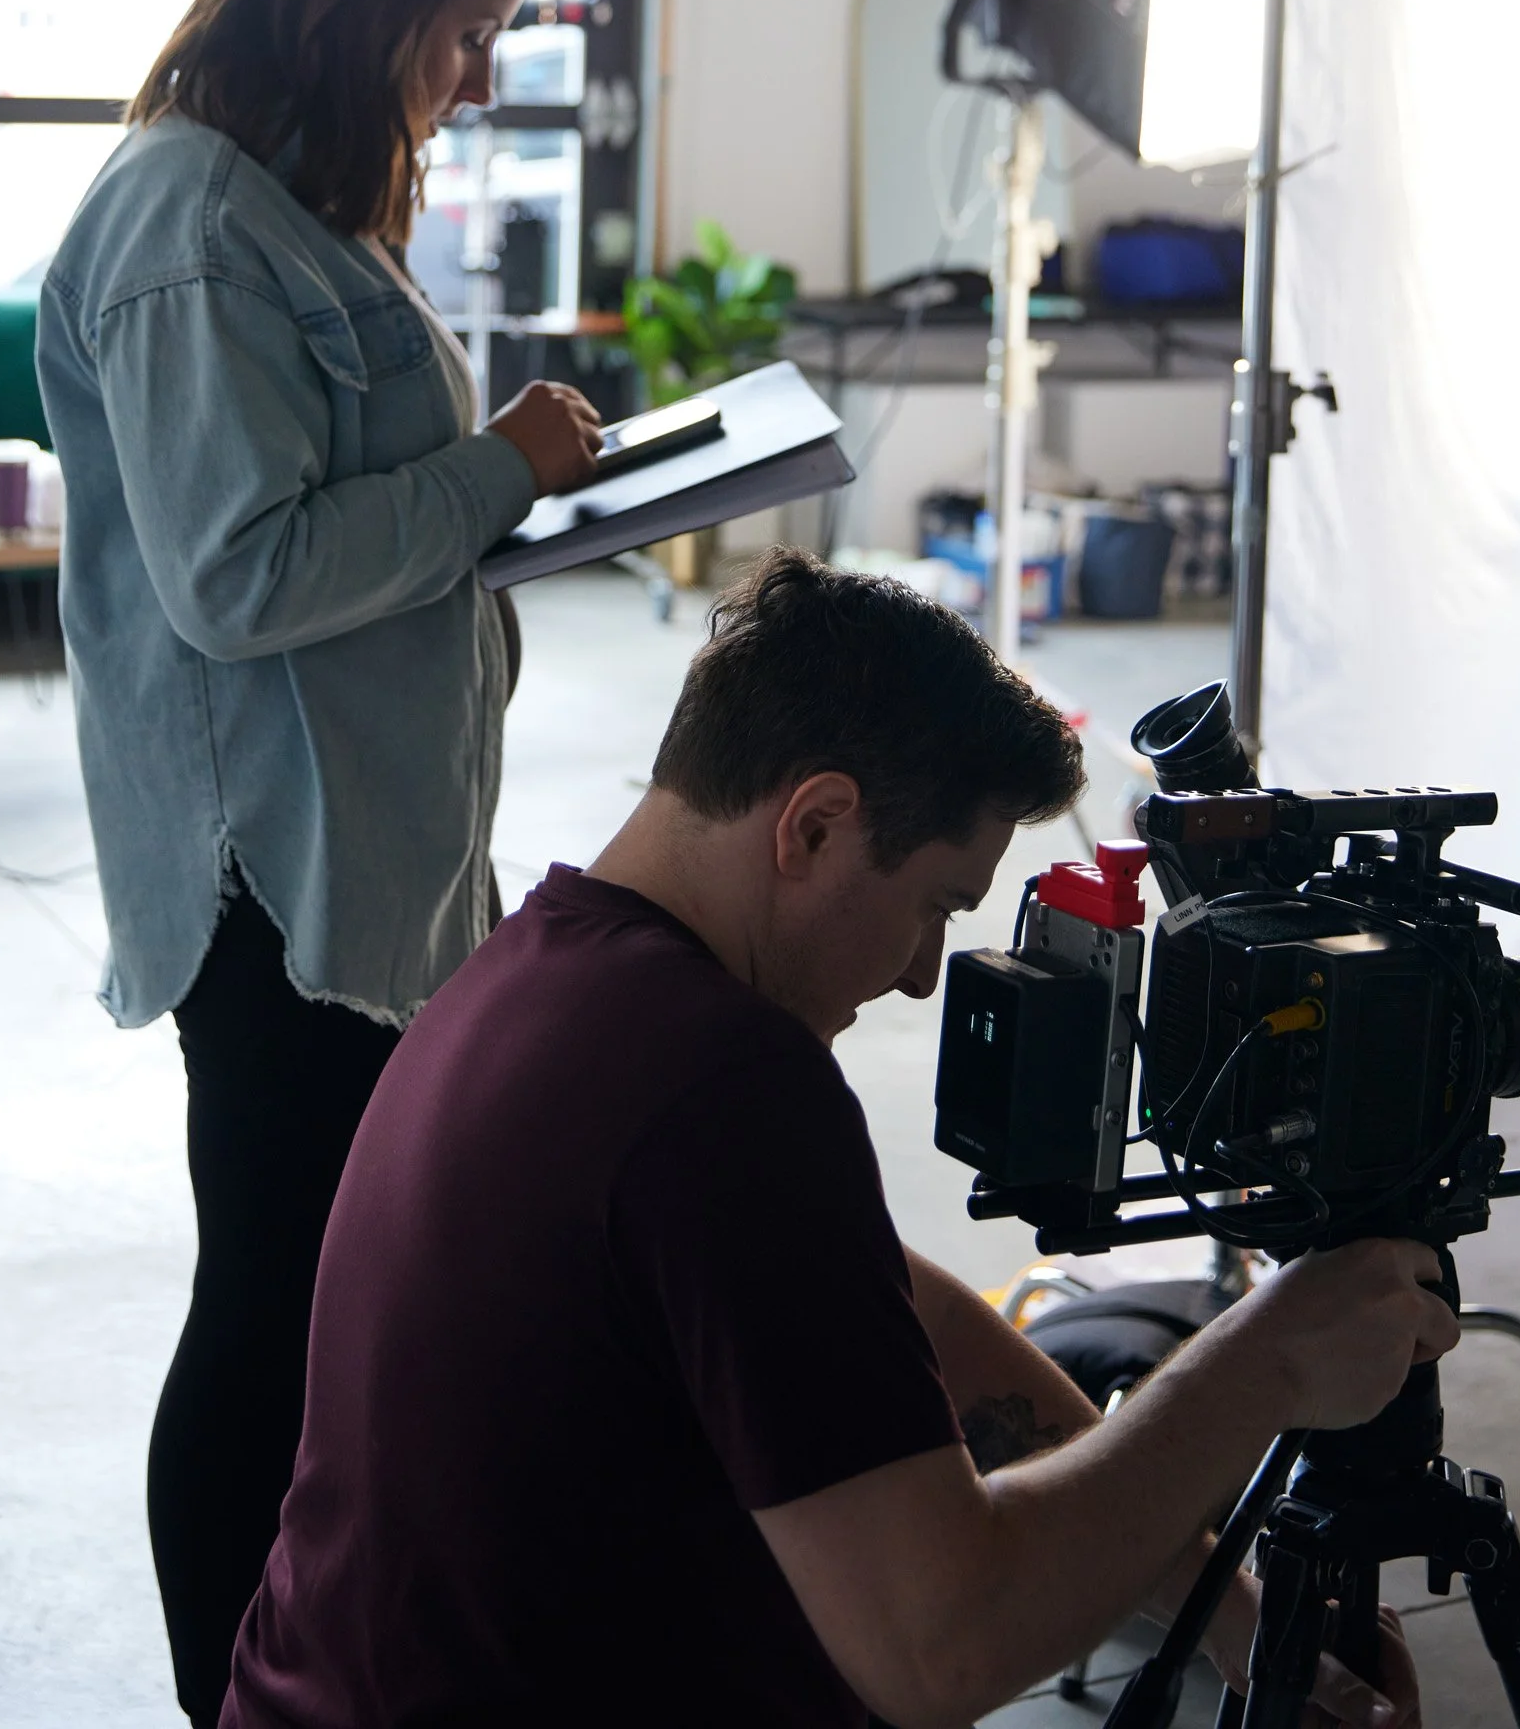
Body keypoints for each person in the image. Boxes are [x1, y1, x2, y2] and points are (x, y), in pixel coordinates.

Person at [221, 552, 1450, 1729]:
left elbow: (885, 1308)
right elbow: (943, 1646)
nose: (924, 976)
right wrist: (1266, 1364)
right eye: (934, 907)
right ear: (813, 825)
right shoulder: (719, 1083)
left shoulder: (542, 967)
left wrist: (1216, 1599)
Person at [36, 0, 606, 1728]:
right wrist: (495, 475)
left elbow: (350, 524)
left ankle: (315, 1666)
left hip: (360, 847)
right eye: (463, 32)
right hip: (268, 877)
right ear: (364, 9)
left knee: (333, 1297)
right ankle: (234, 1698)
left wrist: (507, 495)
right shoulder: (191, 225)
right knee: (271, 1305)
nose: (479, 79)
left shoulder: (285, 202)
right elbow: (239, 573)